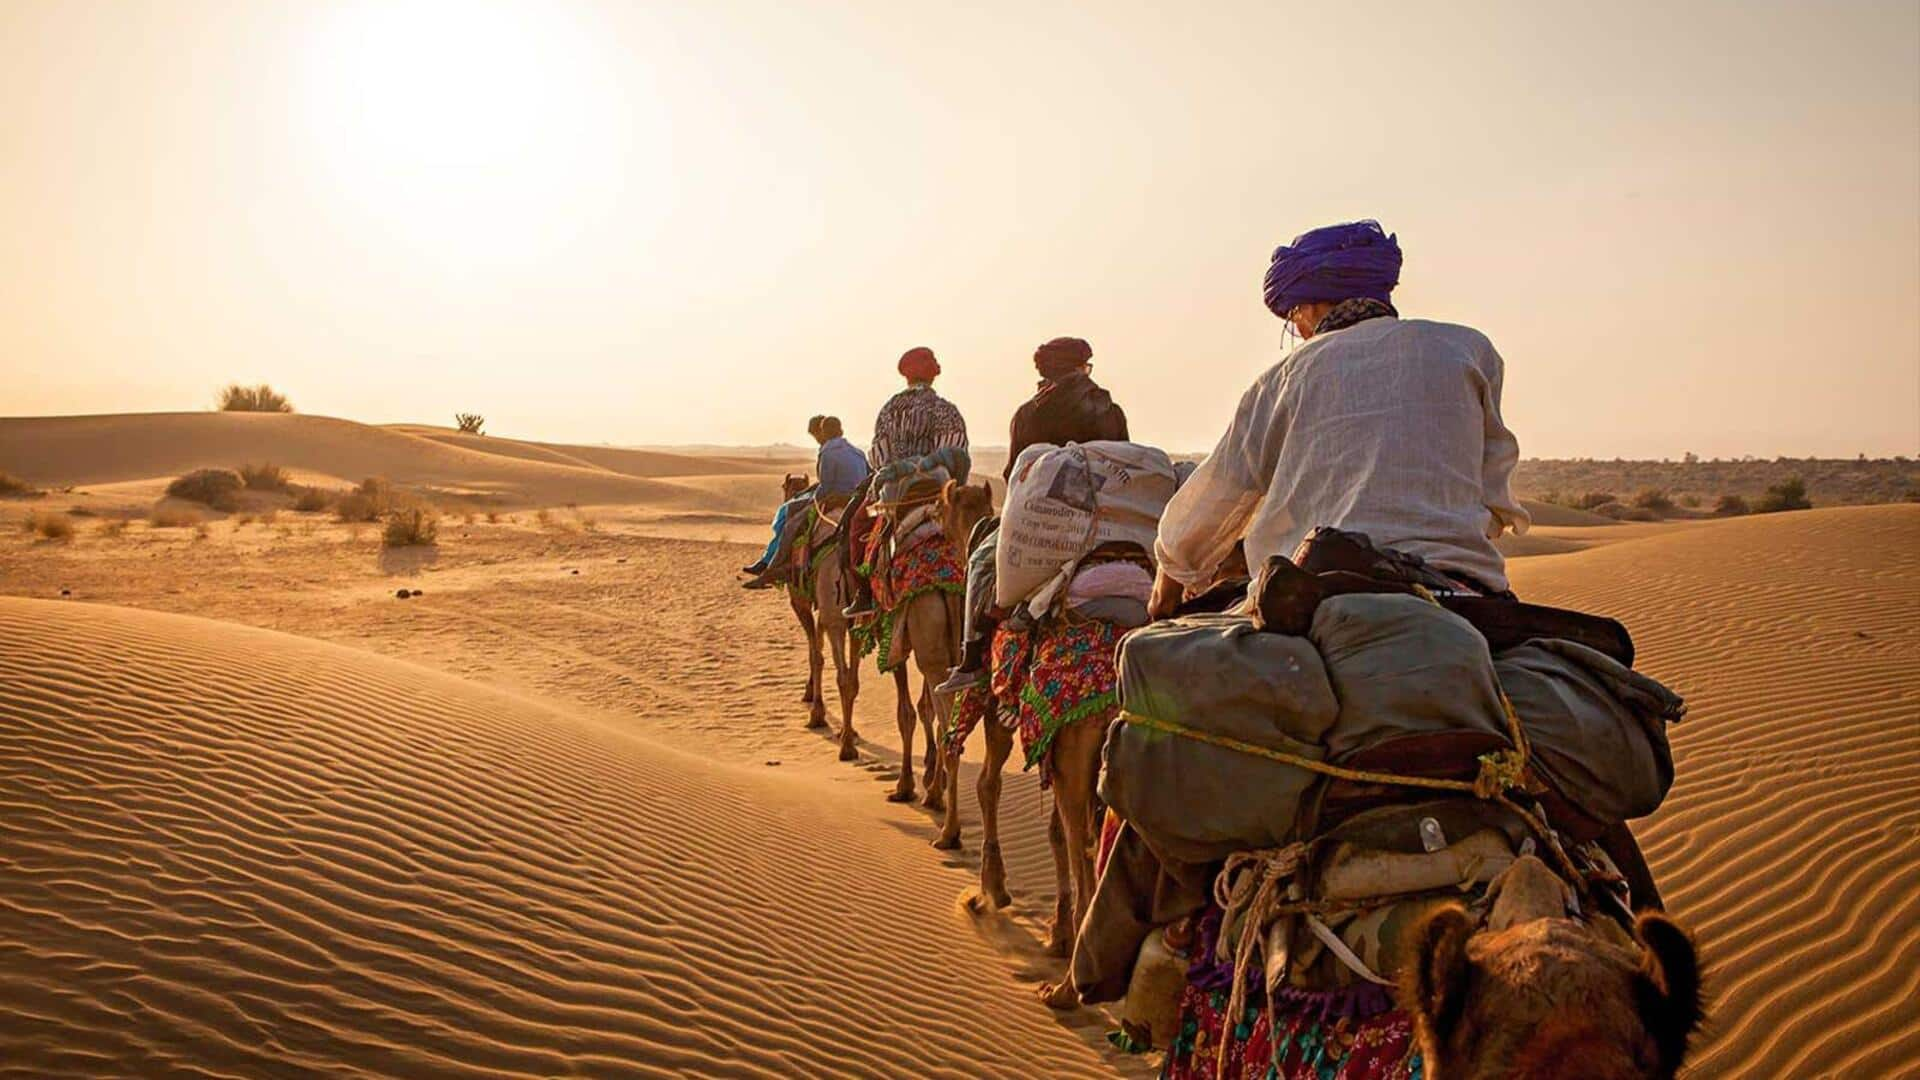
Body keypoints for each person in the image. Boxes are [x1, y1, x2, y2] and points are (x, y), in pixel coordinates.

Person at [1148, 219, 1529, 620]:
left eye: (1294, 316)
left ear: (1310, 306)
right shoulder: (1467, 349)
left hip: (1315, 597)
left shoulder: (1282, 380)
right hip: (1462, 593)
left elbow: (1211, 502)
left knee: (1152, 661)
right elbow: (1495, 497)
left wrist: (1166, 588)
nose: (1298, 330)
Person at [936, 336, 1129, 692]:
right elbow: (1125, 464)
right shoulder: (1110, 411)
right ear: (1080, 368)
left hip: (1045, 529)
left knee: (979, 564)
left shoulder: (1028, 413)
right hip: (1109, 523)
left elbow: (1013, 475)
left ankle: (971, 656)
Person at [840, 346, 968, 619]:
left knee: (857, 527)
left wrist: (900, 468)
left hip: (894, 488)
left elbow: (879, 455)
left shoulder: (890, 410)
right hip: (939, 488)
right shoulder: (946, 410)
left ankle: (864, 593)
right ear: (931, 373)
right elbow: (956, 451)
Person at [743, 415, 870, 589]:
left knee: (791, 526)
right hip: (857, 500)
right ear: (841, 431)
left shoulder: (827, 451)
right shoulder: (858, 452)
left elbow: (825, 487)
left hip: (834, 500)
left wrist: (813, 500)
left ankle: (771, 571)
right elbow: (868, 476)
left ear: (824, 432)